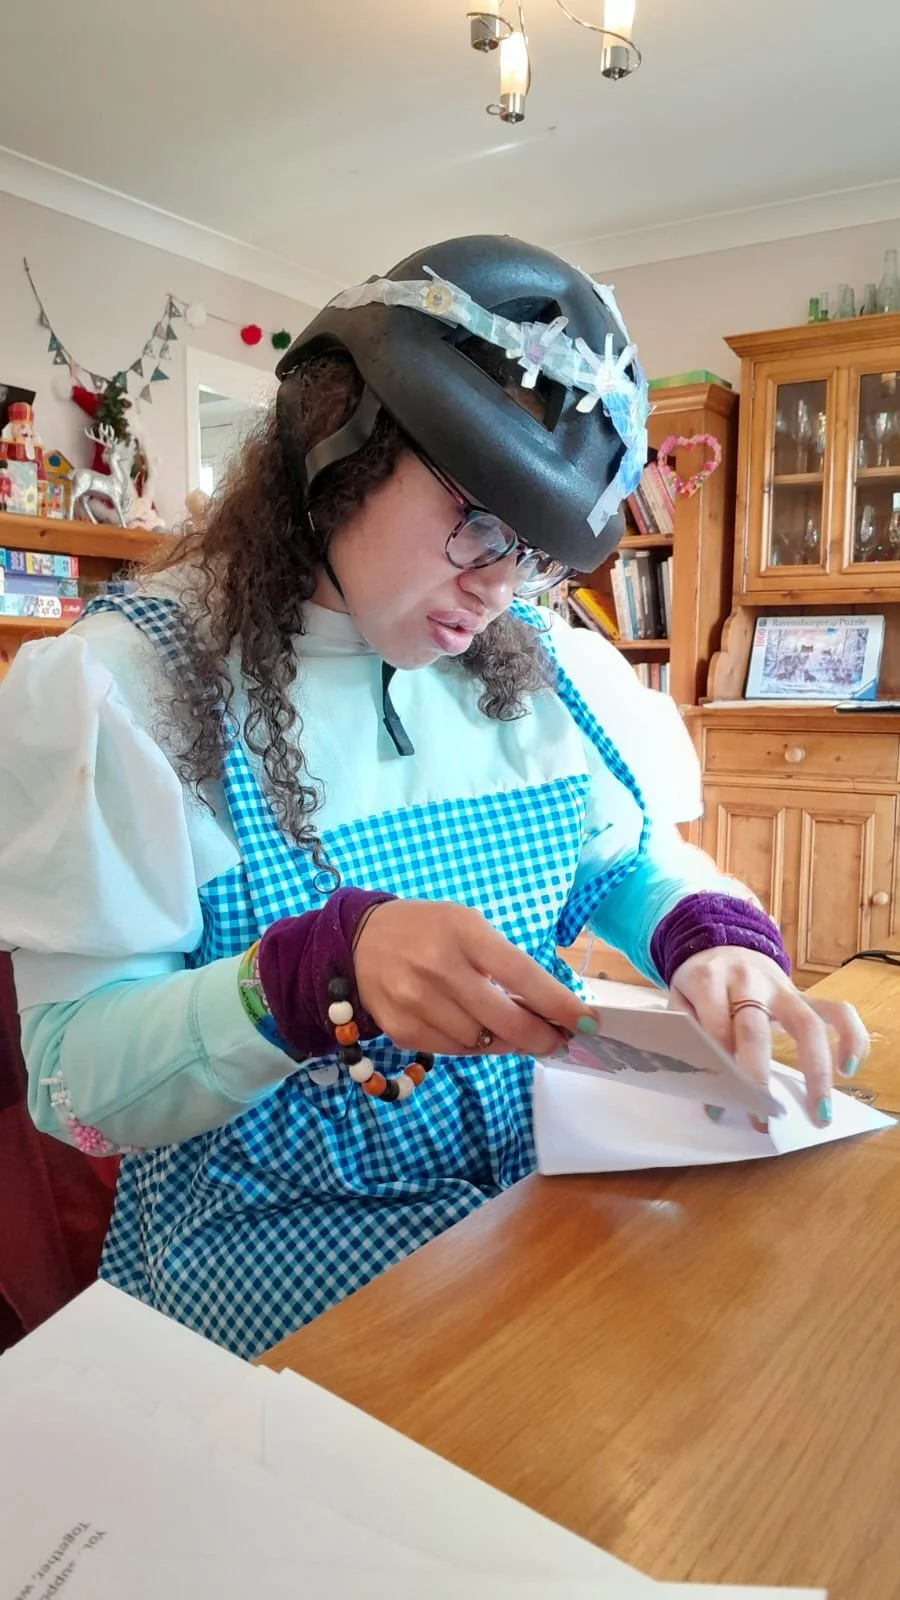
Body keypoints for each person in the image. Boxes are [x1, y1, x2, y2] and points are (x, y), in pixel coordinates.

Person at [0, 235, 866, 1358]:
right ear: (341, 446)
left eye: (533, 549)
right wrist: (311, 977)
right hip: (274, 1266)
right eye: (475, 519)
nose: (500, 587)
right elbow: (74, 1083)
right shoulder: (130, 689)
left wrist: (706, 939)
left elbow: (616, 863)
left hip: (535, 1202)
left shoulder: (538, 666)